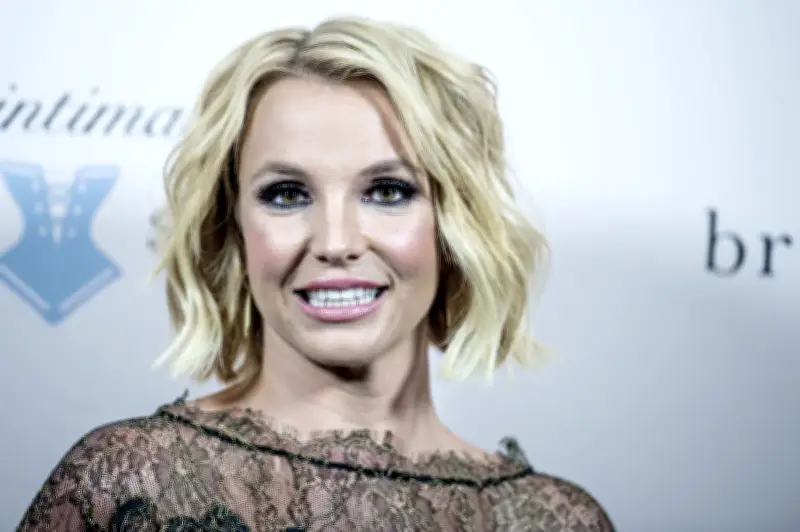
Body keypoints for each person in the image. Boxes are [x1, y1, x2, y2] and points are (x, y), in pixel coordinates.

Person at [16, 16, 614, 531]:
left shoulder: (553, 518)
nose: (335, 243)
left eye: (387, 190)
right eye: (286, 194)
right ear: (232, 227)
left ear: (456, 224)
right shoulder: (126, 483)